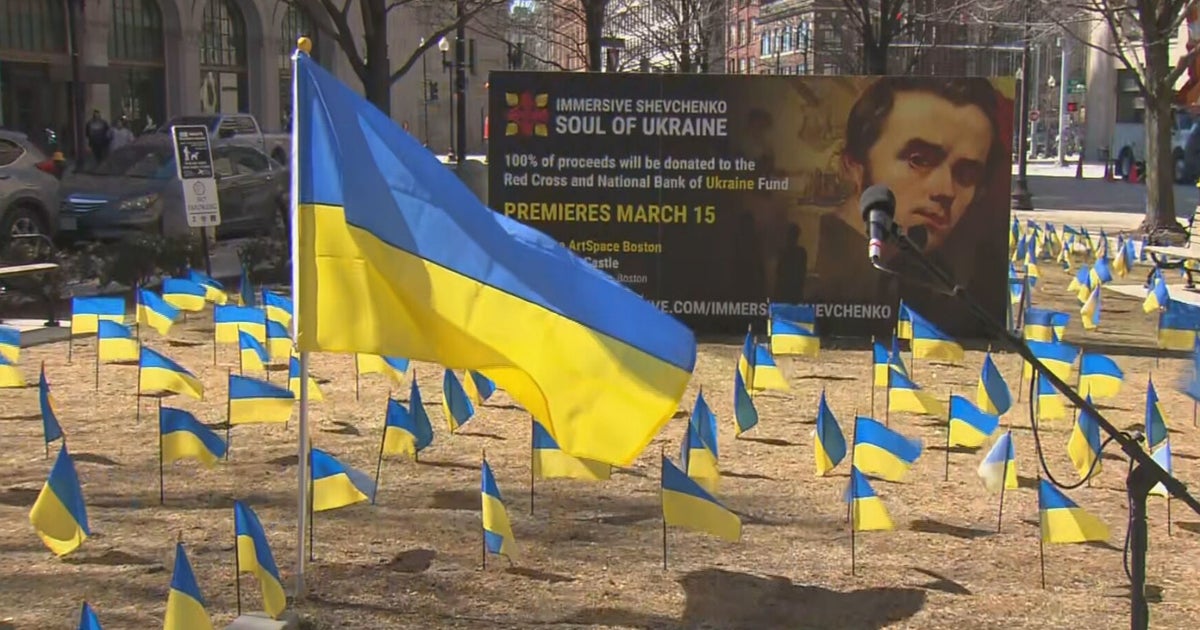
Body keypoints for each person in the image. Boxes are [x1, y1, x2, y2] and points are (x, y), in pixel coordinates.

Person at [808, 77, 1007, 335]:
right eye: (919, 160)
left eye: (966, 174)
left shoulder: (947, 288)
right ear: (853, 167)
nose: (945, 190)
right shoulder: (808, 270)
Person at [773, 222, 808, 303]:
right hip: (788, 293)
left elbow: (801, 273)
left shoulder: (799, 252)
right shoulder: (799, 252)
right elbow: (779, 272)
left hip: (791, 293)